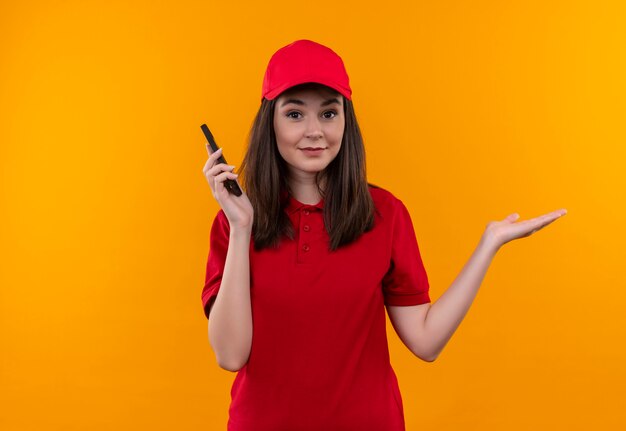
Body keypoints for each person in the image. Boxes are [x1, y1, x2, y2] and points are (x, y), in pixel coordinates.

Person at [200, 39, 567, 431]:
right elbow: (230, 355)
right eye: (294, 114)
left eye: (328, 113)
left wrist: (488, 245)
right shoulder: (235, 222)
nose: (314, 131)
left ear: (346, 121)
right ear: (269, 122)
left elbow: (425, 342)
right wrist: (241, 229)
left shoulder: (385, 214)